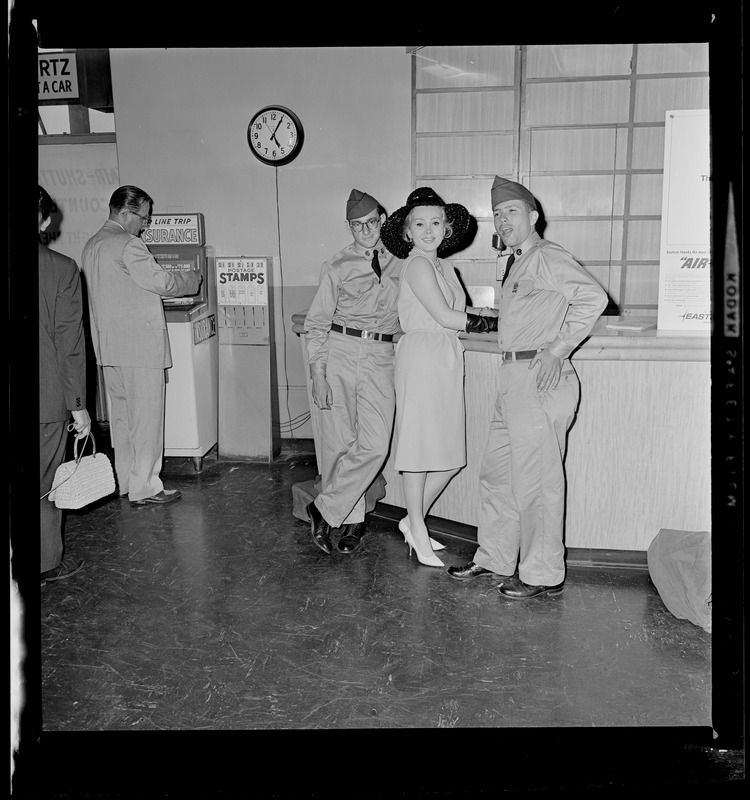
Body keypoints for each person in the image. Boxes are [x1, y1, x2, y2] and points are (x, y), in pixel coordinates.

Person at [447, 176, 608, 597]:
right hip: (512, 380)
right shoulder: (518, 261)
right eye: (497, 214)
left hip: (540, 380)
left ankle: (542, 574)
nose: (502, 220)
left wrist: (558, 349)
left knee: (537, 484)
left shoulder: (547, 256)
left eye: (511, 212)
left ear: (533, 216)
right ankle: (496, 558)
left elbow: (593, 298)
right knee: (497, 476)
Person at [380, 187, 496, 567]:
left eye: (435, 222)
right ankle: (417, 527)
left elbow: (455, 312)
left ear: (446, 228)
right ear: (408, 232)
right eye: (419, 224)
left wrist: (491, 315)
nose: (428, 230)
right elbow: (446, 316)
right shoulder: (415, 264)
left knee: (448, 457)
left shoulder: (446, 267)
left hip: (445, 357)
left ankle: (412, 522)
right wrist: (489, 322)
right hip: (421, 357)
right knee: (418, 450)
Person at [81, 185, 201, 507]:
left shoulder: (92, 244)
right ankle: (146, 487)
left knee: (122, 422)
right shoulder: (129, 244)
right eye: (143, 218)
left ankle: (125, 483)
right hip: (140, 350)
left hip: (109, 350)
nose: (145, 225)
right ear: (124, 212)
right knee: (146, 420)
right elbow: (162, 282)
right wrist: (192, 278)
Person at [304, 189, 409, 556]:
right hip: (340, 352)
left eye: (371, 222)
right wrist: (318, 374)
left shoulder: (403, 261)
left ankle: (322, 509)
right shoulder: (337, 265)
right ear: (348, 227)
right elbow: (316, 324)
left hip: (381, 354)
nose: (366, 230)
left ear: (382, 219)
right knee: (338, 446)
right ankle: (353, 521)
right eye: (357, 225)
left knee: (375, 445)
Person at [39, 185, 92, 584]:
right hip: (43, 400)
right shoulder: (59, 268)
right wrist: (79, 406)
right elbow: (68, 342)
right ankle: (44, 562)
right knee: (43, 483)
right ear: (42, 220)